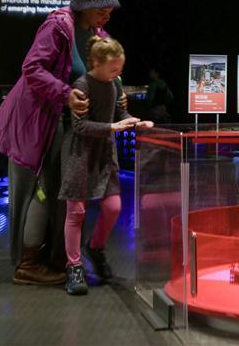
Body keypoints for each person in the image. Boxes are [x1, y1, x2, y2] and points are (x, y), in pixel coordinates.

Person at [0, 0, 120, 285]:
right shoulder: (58, 26)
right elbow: (32, 68)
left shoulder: (96, 32)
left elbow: (105, 67)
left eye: (109, 12)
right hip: (38, 119)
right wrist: (65, 94)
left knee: (64, 191)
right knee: (43, 190)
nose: (106, 17)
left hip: (65, 123)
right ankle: (28, 264)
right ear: (85, 6)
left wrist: (116, 85)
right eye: (102, 11)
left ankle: (57, 257)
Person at [59, 35, 153, 295]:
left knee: (113, 207)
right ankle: (74, 266)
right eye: (113, 69)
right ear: (96, 63)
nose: (117, 74)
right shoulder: (82, 85)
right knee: (76, 212)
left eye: (120, 69)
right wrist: (112, 127)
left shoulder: (114, 84)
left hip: (104, 154)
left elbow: (120, 113)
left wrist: (135, 122)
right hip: (80, 154)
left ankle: (95, 246)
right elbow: (79, 126)